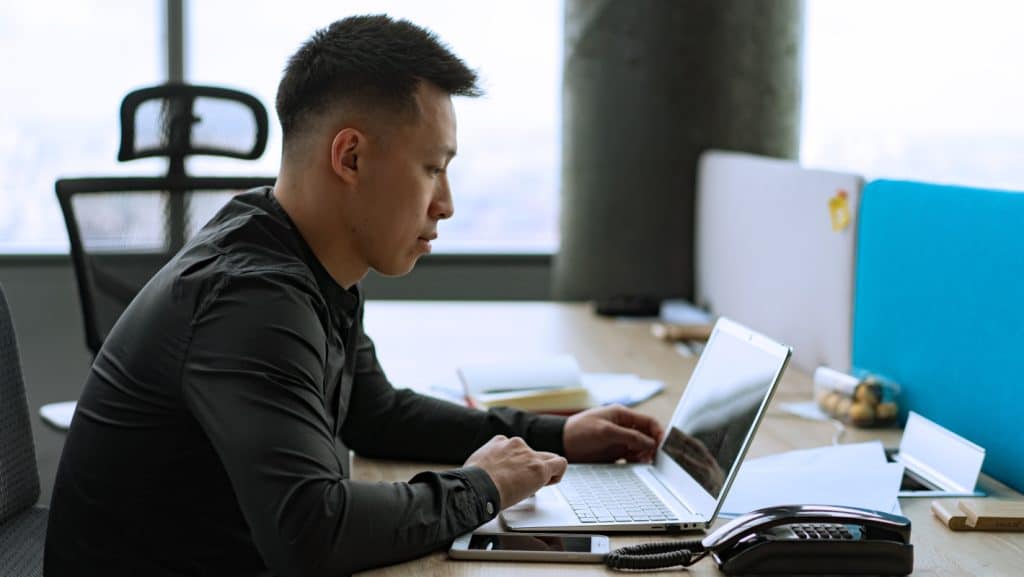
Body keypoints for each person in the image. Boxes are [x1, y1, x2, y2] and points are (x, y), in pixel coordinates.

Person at [44, 14, 663, 577]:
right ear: (351, 157)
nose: (445, 204)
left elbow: (377, 414)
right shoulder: (253, 297)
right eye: (432, 167)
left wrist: (558, 436)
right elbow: (314, 532)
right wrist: (482, 487)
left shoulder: (302, 257)